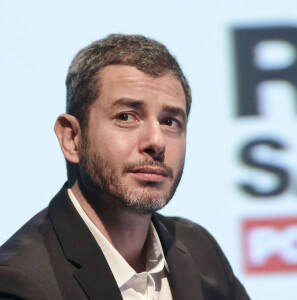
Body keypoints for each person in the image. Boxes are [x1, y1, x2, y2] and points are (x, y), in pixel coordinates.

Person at [0, 34, 250, 300]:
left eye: (170, 122)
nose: (156, 141)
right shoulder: (20, 282)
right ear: (72, 138)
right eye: (126, 117)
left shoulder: (201, 251)